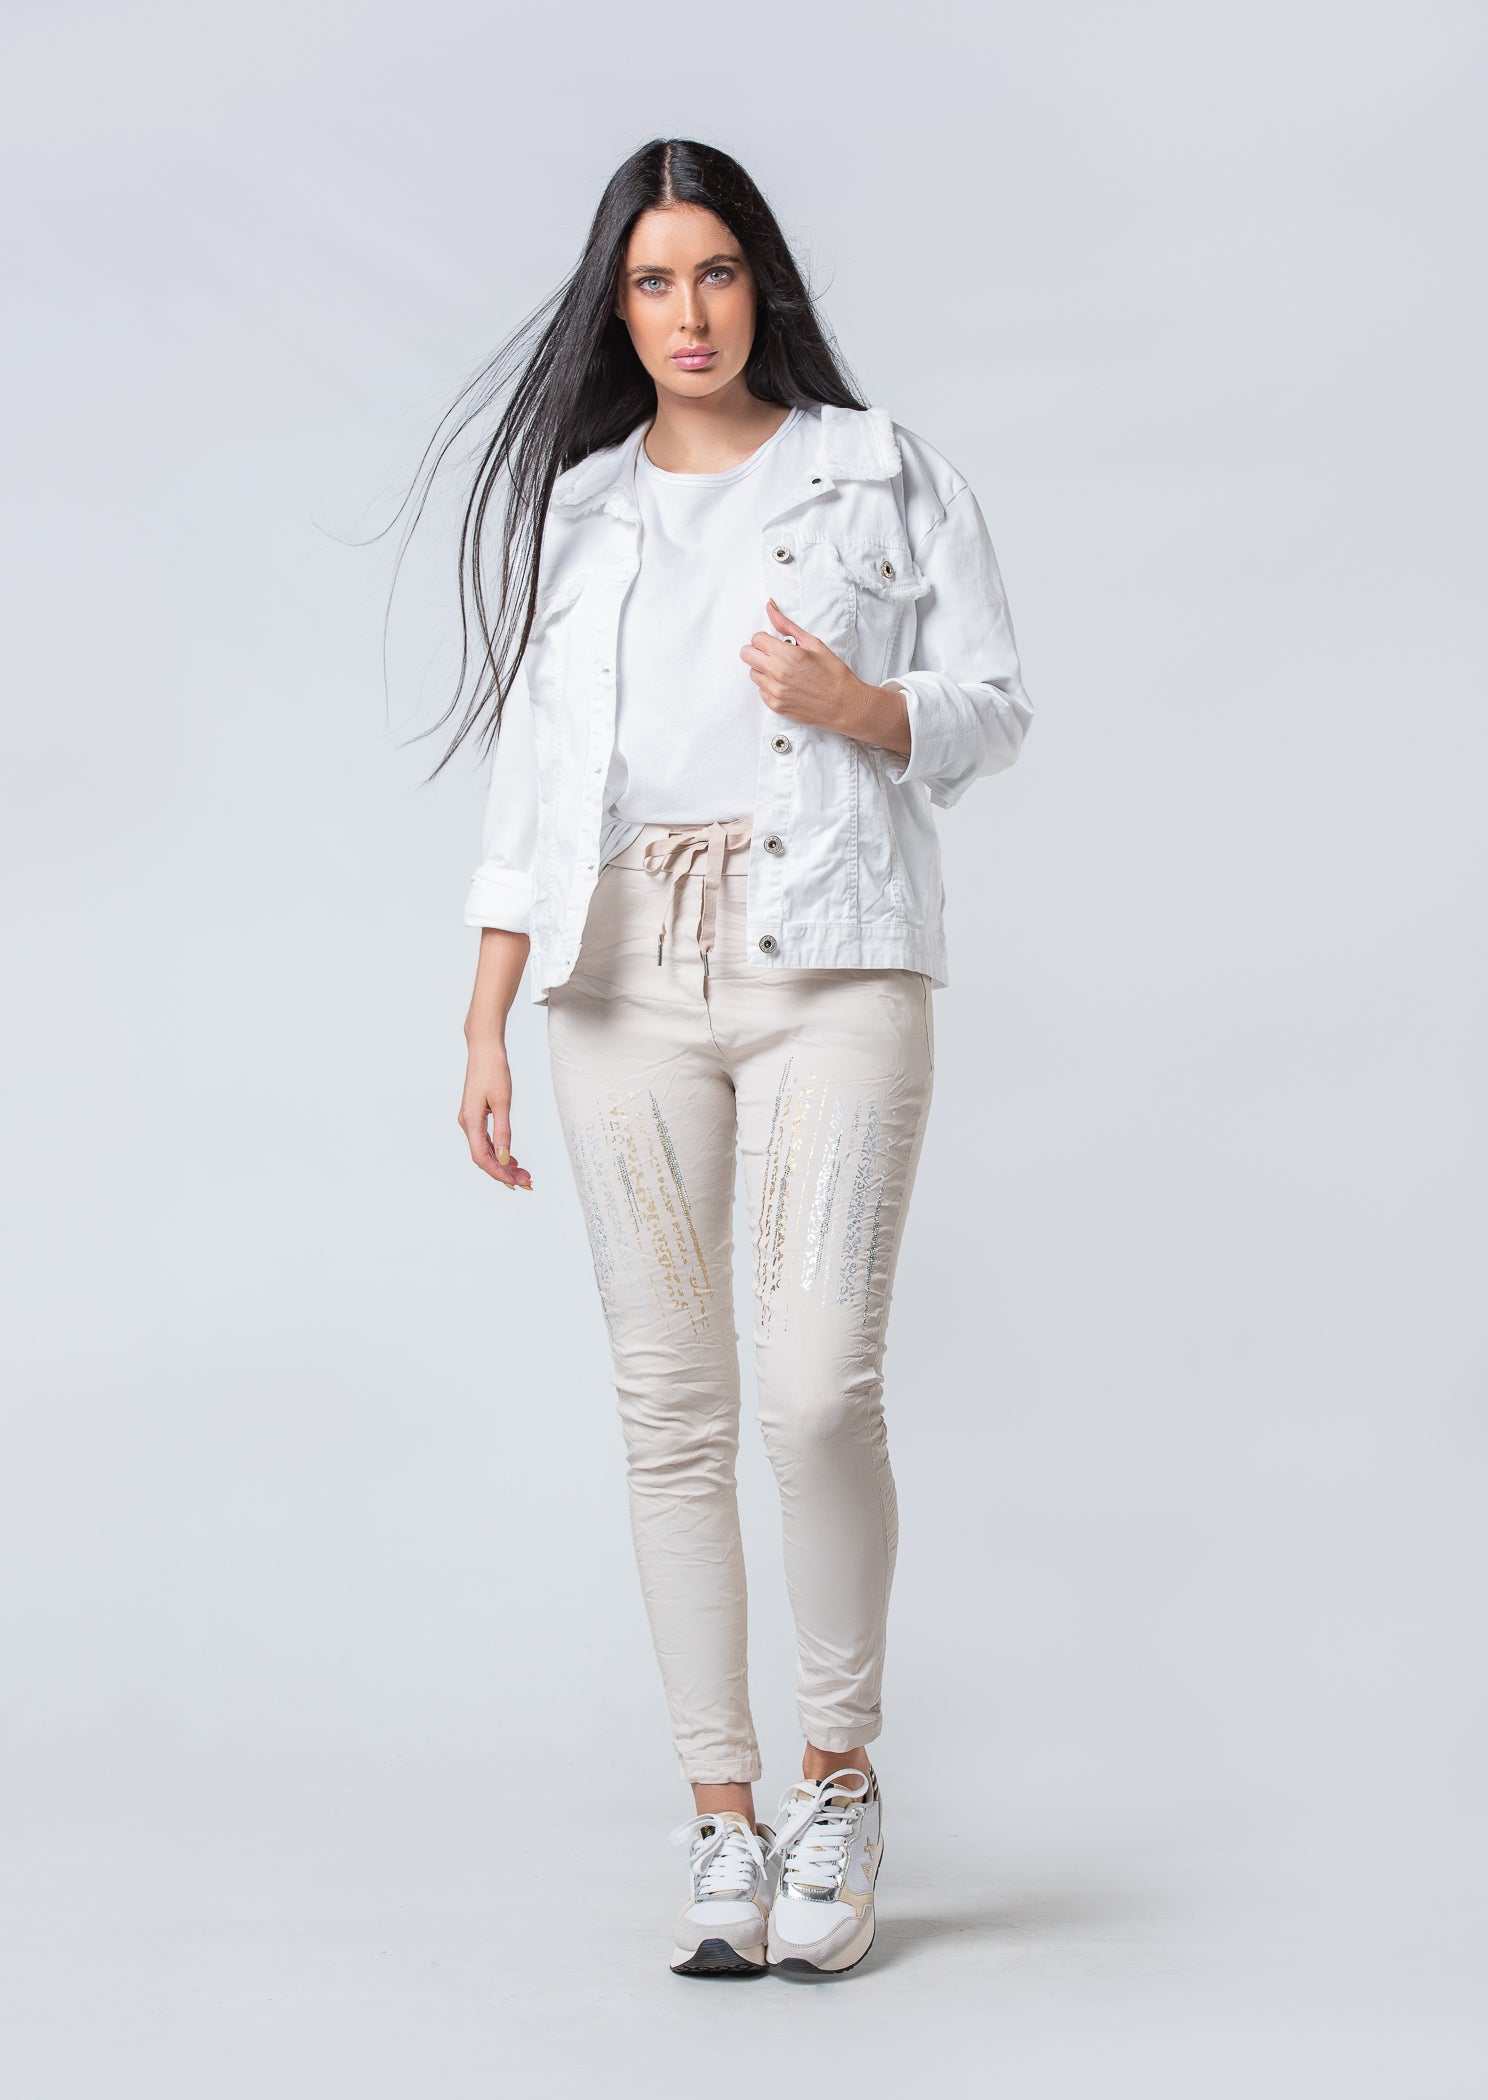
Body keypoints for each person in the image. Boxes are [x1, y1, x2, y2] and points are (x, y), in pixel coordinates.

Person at [409, 138, 1032, 1979]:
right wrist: (484, 1011)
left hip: (829, 945)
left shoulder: (881, 469)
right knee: (670, 1408)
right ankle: (722, 1816)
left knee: (817, 1389)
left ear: (764, 279)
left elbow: (997, 702)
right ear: (619, 310)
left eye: (716, 272)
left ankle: (839, 1779)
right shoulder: (585, 510)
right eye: (652, 283)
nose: (689, 314)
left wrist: (864, 704)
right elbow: (539, 779)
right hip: (618, 966)